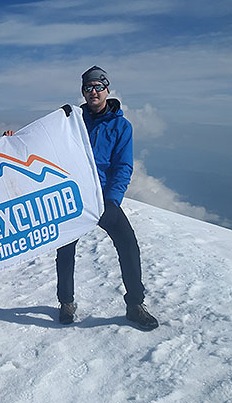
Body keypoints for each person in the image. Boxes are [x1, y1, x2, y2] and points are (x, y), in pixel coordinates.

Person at [56, 66, 159, 331]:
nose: (93, 92)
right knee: (65, 249)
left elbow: (123, 166)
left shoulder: (121, 126)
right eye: (88, 88)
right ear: (83, 91)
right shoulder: (72, 120)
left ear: (107, 90)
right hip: (74, 196)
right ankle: (66, 303)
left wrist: (112, 201)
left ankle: (135, 305)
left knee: (128, 245)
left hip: (103, 197)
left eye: (98, 87)